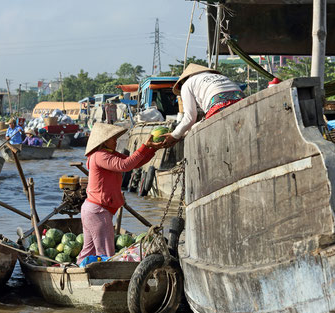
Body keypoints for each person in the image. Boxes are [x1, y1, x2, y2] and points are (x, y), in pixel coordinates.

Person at [77, 123, 162, 264]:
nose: (115, 141)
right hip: (98, 211)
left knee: (89, 250)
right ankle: (104, 281)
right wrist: (144, 147)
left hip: (93, 210)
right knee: (106, 253)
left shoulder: (108, 154)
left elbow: (133, 163)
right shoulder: (100, 156)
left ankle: (79, 271)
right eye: (112, 138)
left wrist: (151, 149)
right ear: (104, 141)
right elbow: (124, 166)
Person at [161, 63, 245, 148]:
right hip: (241, 101)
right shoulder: (219, 77)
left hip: (219, 105)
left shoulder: (187, 84)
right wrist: (180, 134)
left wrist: (174, 136)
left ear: (183, 81)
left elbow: (190, 118)